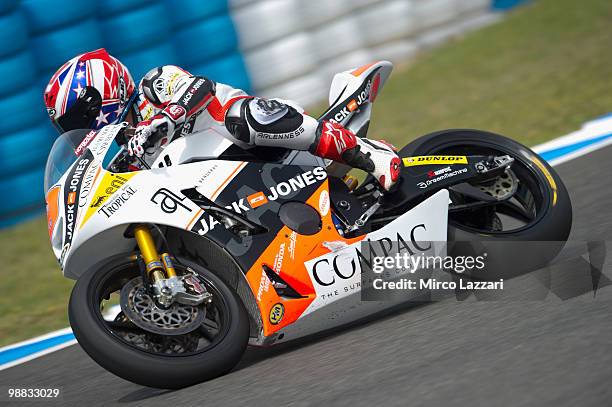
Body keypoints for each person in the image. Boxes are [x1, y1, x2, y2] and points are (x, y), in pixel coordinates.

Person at [44, 48, 400, 190]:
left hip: (254, 140)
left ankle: (371, 154)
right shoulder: (123, 149)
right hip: (232, 188)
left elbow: (198, 88)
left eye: (80, 116)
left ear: (99, 94)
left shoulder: (154, 83)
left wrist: (165, 120)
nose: (81, 129)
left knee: (241, 117)